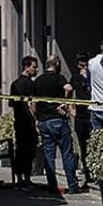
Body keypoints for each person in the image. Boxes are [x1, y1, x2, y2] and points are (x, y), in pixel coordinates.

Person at [34, 56, 83, 194]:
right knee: (67, 154)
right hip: (58, 120)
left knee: (49, 155)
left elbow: (32, 103)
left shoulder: (38, 81)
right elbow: (69, 87)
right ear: (57, 64)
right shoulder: (58, 77)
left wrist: (36, 118)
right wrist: (64, 101)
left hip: (44, 121)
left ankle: (52, 187)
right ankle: (73, 186)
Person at [9, 56, 39, 189]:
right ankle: (26, 178)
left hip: (18, 121)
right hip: (28, 122)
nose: (36, 69)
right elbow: (31, 103)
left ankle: (19, 178)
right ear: (26, 67)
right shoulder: (30, 84)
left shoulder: (14, 84)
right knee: (29, 150)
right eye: (34, 67)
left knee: (20, 149)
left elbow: (12, 104)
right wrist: (36, 119)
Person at [71, 53, 93, 188]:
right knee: (83, 147)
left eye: (85, 63)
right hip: (80, 115)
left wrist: (88, 78)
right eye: (80, 63)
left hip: (91, 113)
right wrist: (70, 108)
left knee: (93, 145)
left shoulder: (93, 76)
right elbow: (68, 91)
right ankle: (87, 173)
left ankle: (94, 172)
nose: (82, 66)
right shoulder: (75, 78)